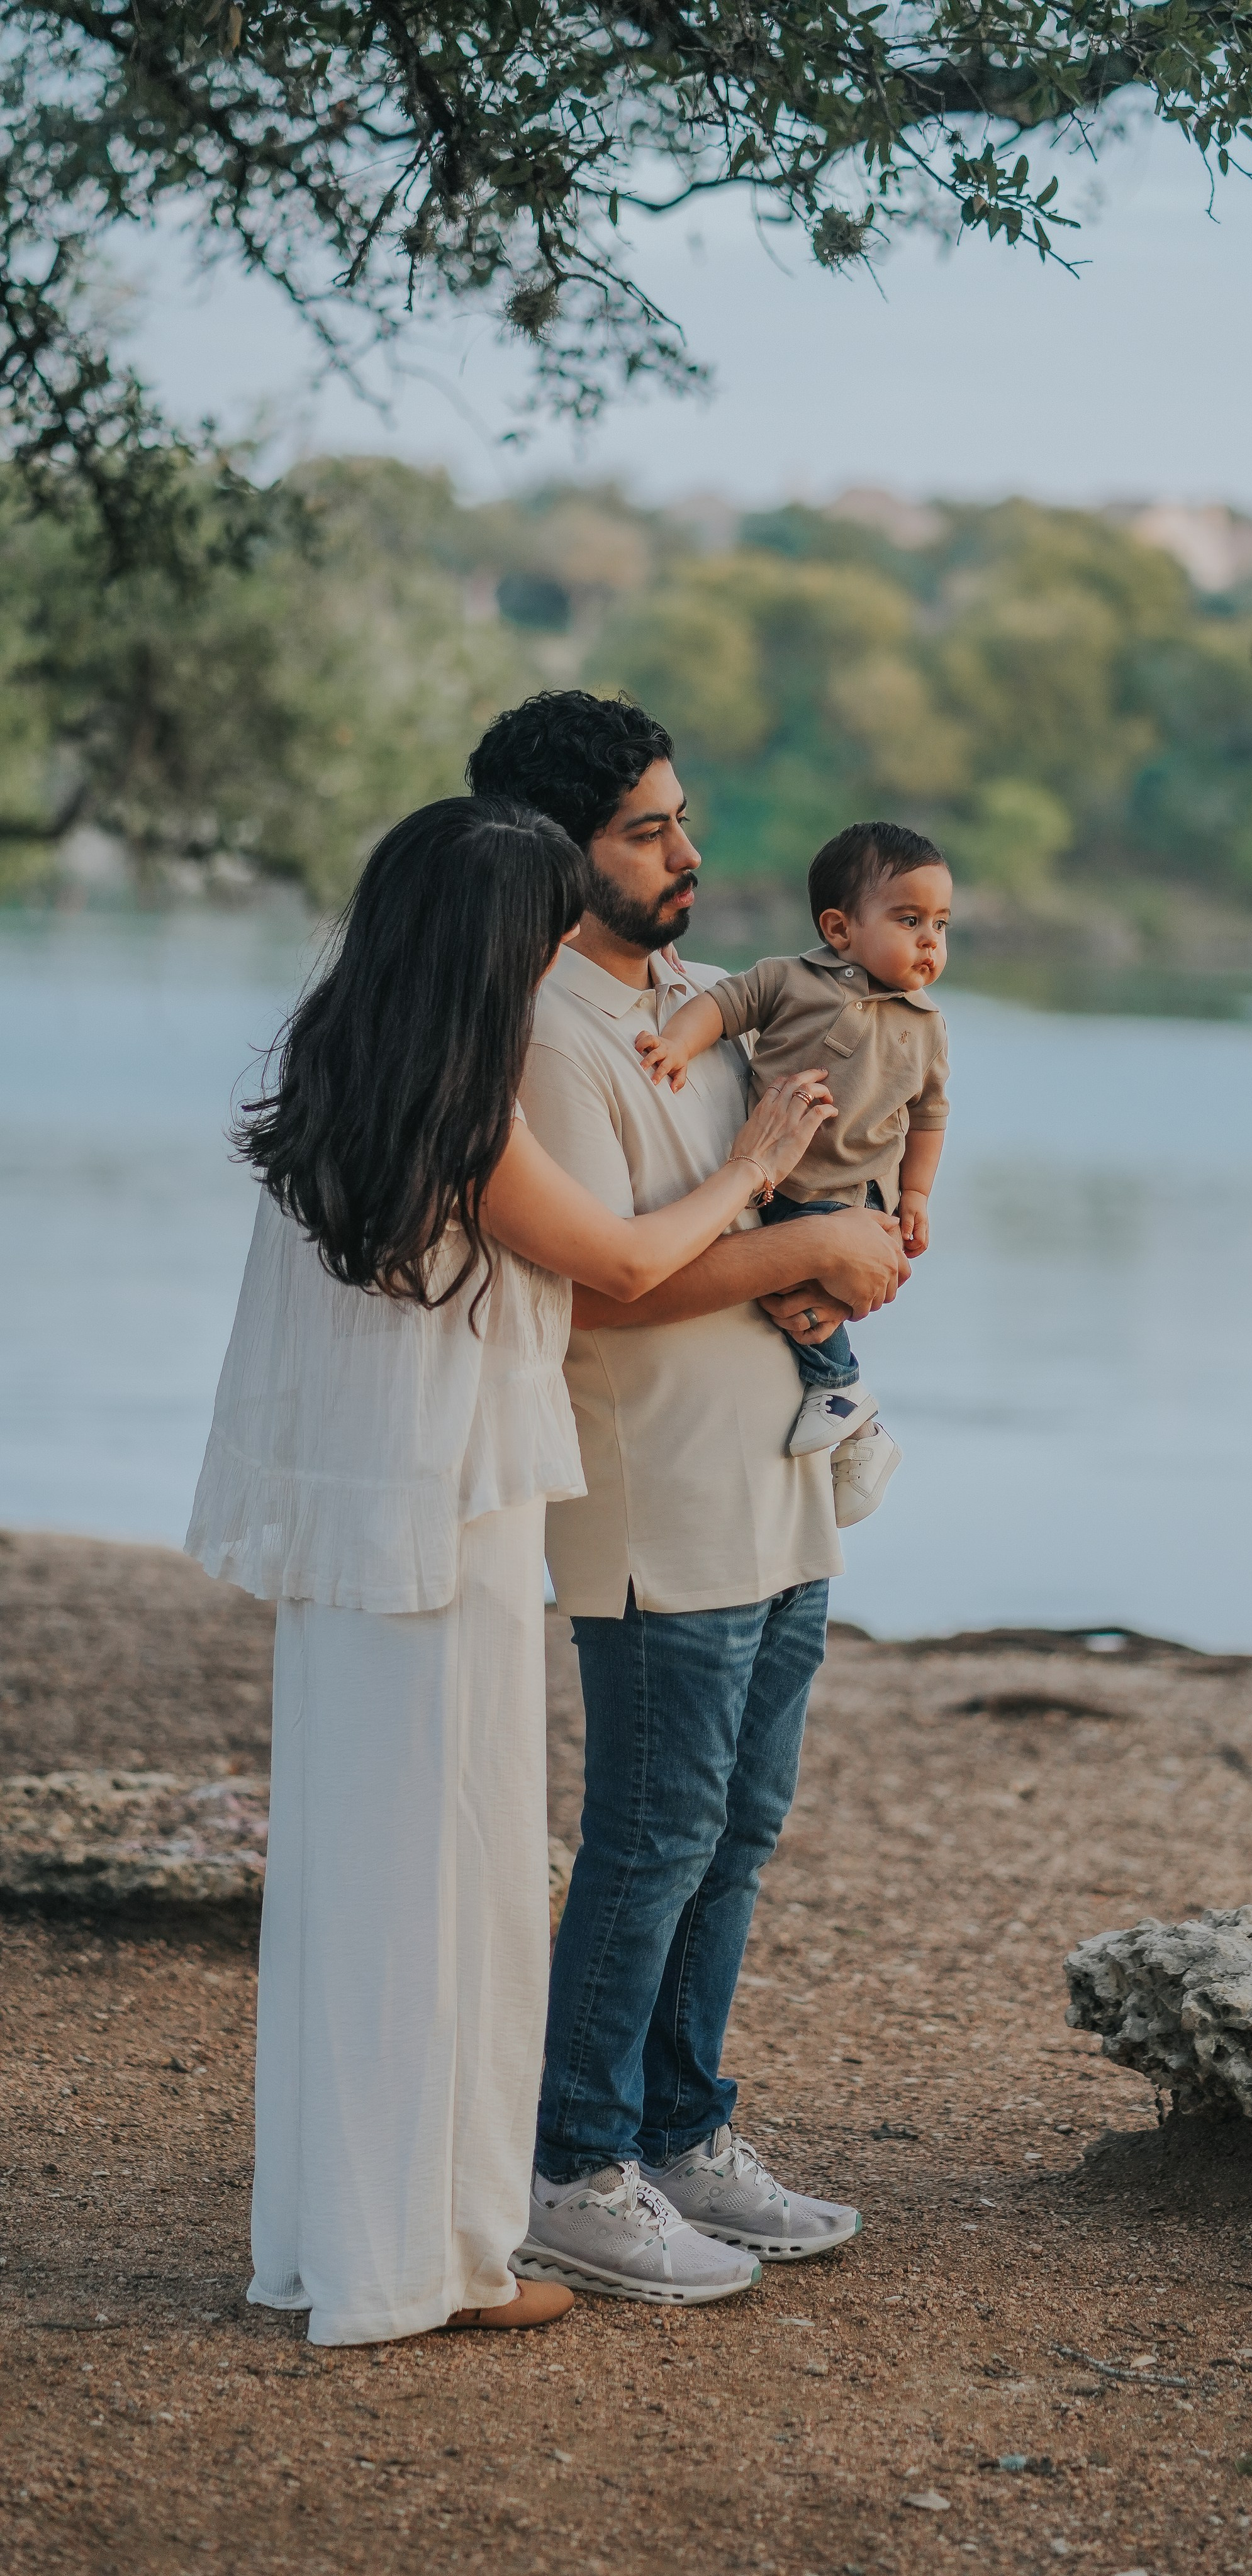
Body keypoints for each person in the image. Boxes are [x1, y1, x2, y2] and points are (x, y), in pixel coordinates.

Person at [184, 796, 839, 2346]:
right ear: (499, 943)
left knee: (362, 1889)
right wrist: (754, 1166)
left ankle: (357, 2235)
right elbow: (616, 1265)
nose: (561, 950)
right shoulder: (459, 1116)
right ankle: (423, 2259)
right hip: (446, 1524)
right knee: (447, 1886)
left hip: (369, 1535)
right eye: (545, 927)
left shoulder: (338, 1073)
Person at [464, 696, 912, 2306]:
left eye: (681, 817)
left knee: (735, 1832)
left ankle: (676, 2131)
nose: (689, 851)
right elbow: (594, 1293)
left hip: (774, 1479)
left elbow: (795, 1184)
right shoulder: (538, 1030)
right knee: (651, 1836)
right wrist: (800, 1254)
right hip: (658, 1497)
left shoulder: (703, 1003)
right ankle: (568, 2164)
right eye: (648, 827)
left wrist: (851, 1241)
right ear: (551, 848)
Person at [634, 819, 951, 1495]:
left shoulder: (927, 1023)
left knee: (810, 1287)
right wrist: (679, 1046)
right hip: (778, 1175)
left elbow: (929, 1115)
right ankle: (853, 1416)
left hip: (854, 1194)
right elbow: (722, 1006)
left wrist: (917, 1197)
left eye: (941, 925)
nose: (930, 941)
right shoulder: (791, 980)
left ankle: (841, 1395)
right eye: (908, 920)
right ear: (839, 930)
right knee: (774, 1278)